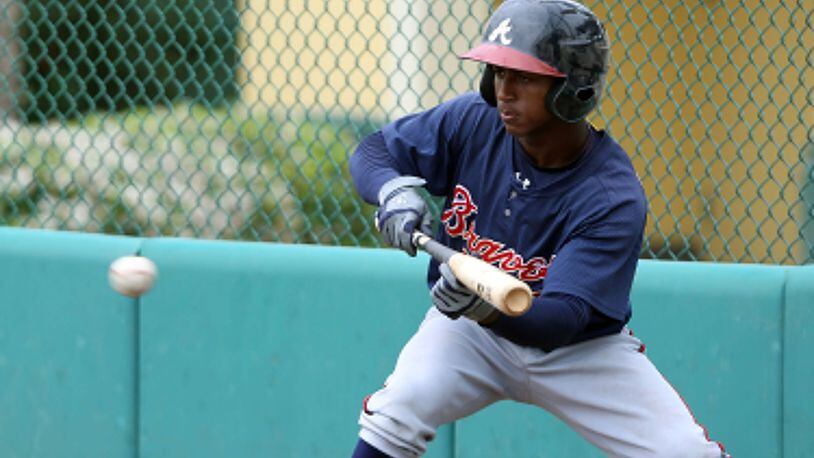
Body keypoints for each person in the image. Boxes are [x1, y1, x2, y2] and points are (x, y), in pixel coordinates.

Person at [347, 0, 728, 456]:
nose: (504, 90)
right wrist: (392, 190)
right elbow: (372, 152)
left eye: (523, 76)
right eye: (498, 72)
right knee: (397, 410)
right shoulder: (474, 120)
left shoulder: (611, 195)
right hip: (471, 333)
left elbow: (560, 320)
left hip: (579, 351)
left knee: (683, 452)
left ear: (573, 86)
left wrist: (482, 306)